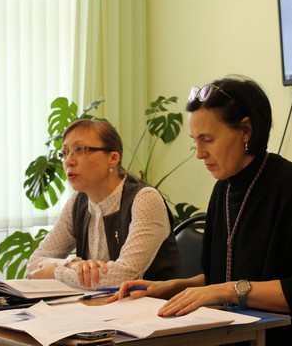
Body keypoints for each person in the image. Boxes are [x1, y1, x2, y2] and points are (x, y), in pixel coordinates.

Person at [109, 75, 292, 345]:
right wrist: (171, 288)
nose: (199, 153)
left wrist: (228, 291)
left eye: (207, 139)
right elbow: (221, 278)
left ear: (246, 131)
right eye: (195, 140)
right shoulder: (224, 189)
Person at [26, 119, 181, 289]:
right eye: (64, 153)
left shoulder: (145, 199)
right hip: (98, 303)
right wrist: (72, 265)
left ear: (113, 158)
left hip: (155, 303)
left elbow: (123, 276)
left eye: (80, 149)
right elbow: (34, 263)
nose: (69, 161)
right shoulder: (78, 201)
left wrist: (56, 273)